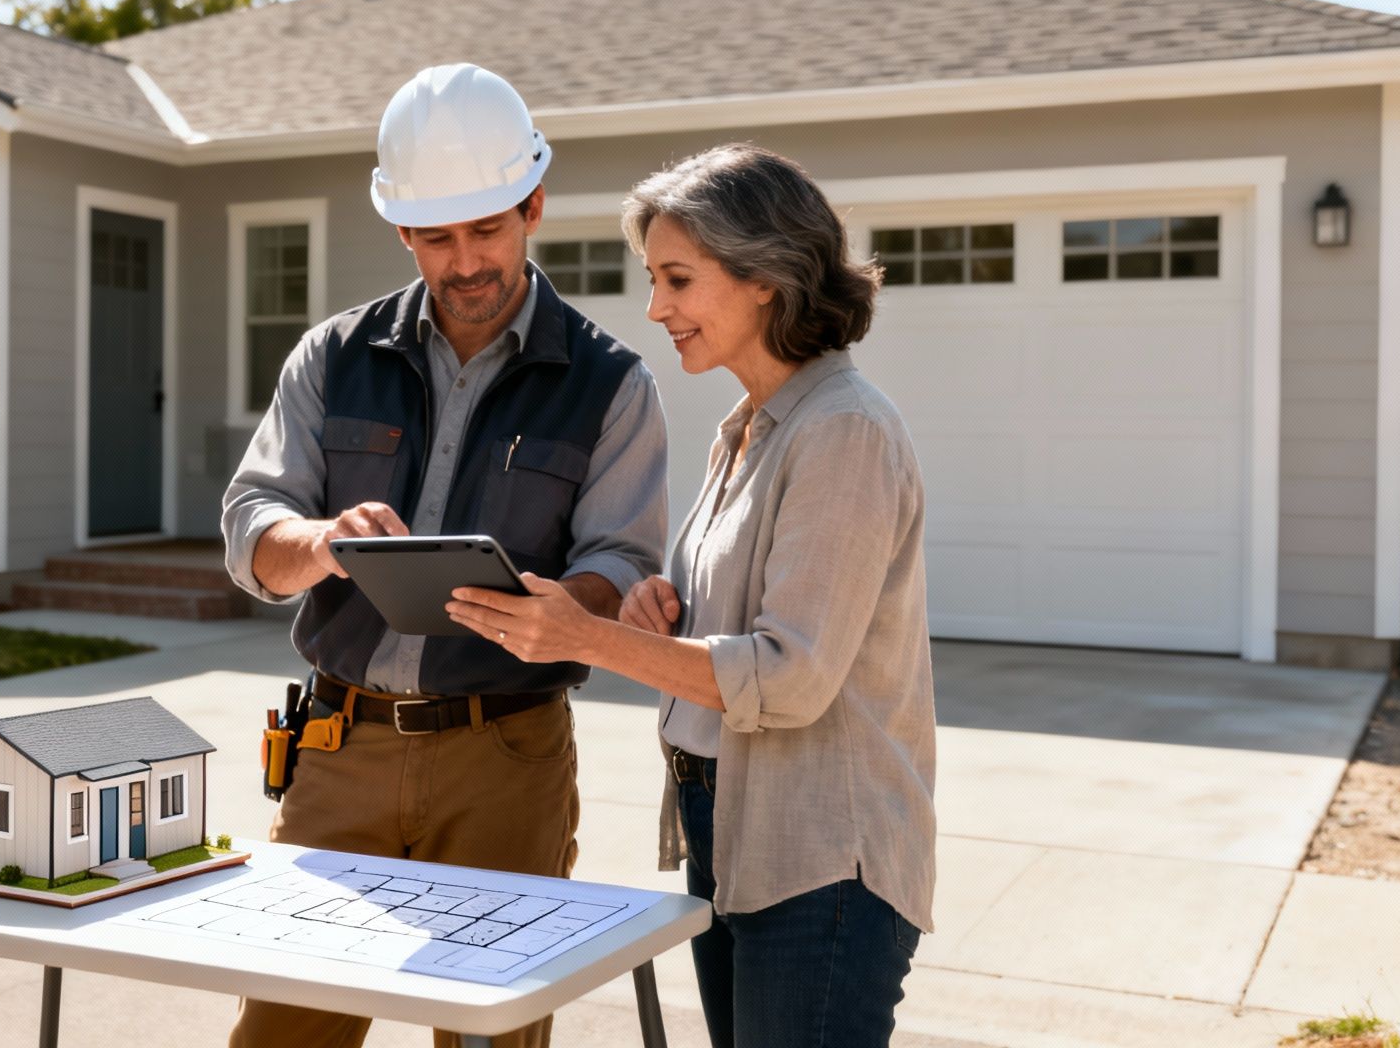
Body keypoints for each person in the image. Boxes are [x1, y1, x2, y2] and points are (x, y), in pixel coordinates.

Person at [446, 143, 937, 1048]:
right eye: (652, 278)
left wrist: (585, 636)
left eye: (677, 279)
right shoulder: (743, 431)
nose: (655, 308)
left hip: (821, 858)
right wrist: (660, 613)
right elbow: (743, 628)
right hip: (732, 832)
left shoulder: (842, 434)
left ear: (765, 277)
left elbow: (789, 678)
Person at [220, 63, 670, 1048]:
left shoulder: (609, 386)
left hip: (505, 757)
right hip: (337, 756)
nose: (464, 262)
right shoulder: (333, 356)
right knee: (281, 1033)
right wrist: (323, 543)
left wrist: (560, 608)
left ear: (533, 205)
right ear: (401, 231)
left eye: (487, 230)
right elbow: (253, 530)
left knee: (490, 1037)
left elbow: (622, 561)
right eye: (436, 237)